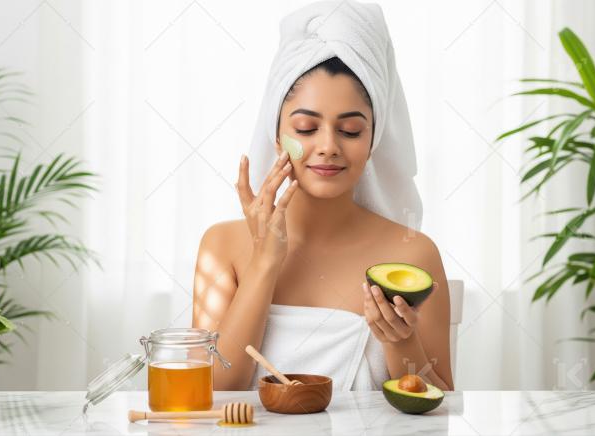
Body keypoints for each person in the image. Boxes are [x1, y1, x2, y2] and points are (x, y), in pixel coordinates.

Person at [192, 0, 453, 392]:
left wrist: (401, 342)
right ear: (277, 134)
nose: (328, 146)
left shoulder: (413, 256)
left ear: (373, 139)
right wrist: (265, 263)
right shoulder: (222, 247)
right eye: (306, 127)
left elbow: (439, 404)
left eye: (350, 130)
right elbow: (213, 392)